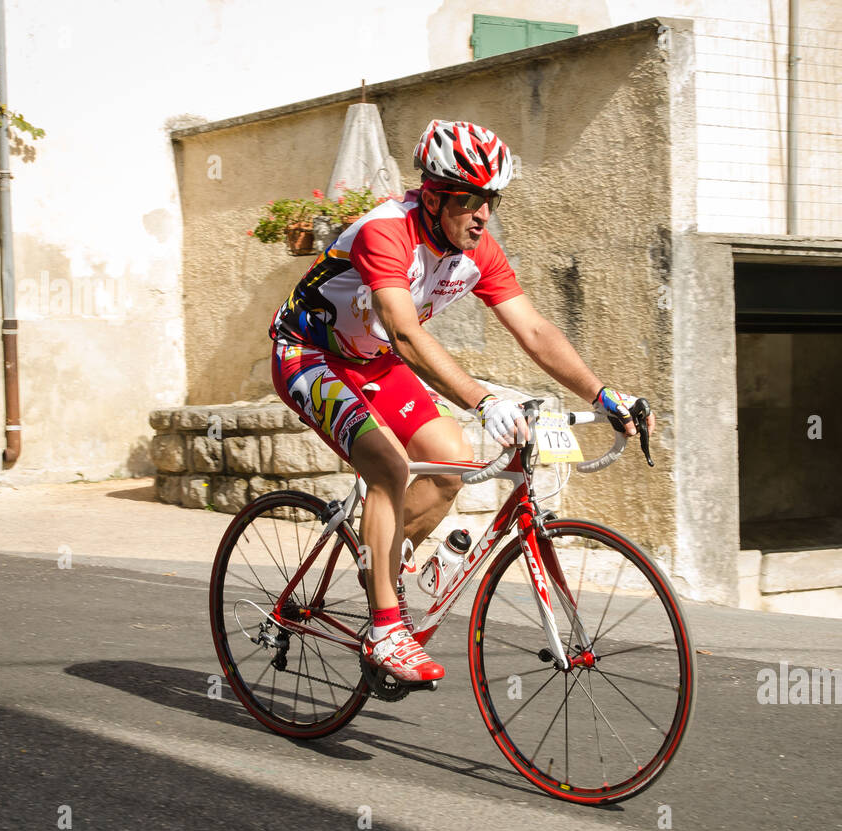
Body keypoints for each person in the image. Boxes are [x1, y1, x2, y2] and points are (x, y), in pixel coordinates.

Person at [269, 119, 653, 684]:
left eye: (490, 200)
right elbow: (404, 332)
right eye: (469, 200)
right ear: (432, 196)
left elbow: (534, 330)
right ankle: (383, 628)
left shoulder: (479, 252)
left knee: (452, 462)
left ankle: (382, 560)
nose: (482, 214)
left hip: (372, 361)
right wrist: (481, 400)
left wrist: (603, 393)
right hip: (309, 354)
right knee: (388, 465)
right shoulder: (386, 232)